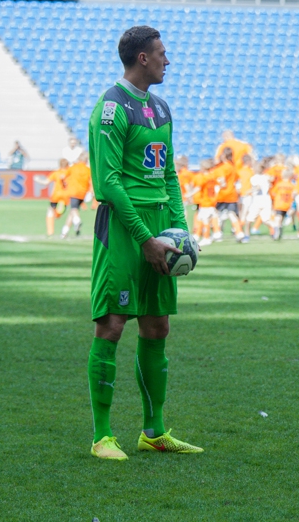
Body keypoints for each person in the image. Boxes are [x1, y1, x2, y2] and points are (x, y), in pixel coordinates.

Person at [86, 25, 202, 460]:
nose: (168, 60)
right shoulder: (112, 109)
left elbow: (168, 174)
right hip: (122, 227)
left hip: (159, 229)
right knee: (112, 325)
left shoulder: (161, 107)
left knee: (158, 327)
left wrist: (178, 230)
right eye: (162, 54)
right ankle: (102, 437)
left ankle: (153, 431)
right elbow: (108, 183)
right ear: (142, 59)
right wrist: (146, 238)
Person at [213, 147, 245, 242]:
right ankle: (239, 233)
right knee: (232, 214)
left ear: (223, 155)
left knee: (215, 213)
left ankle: (217, 232)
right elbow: (237, 180)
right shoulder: (233, 167)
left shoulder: (222, 168)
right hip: (232, 194)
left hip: (223, 194)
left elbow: (222, 182)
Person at [61, 152, 91, 238]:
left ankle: (77, 221)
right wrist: (90, 192)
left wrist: (64, 184)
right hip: (83, 193)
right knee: (72, 211)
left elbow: (63, 176)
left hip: (74, 191)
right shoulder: (87, 169)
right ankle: (64, 232)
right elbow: (91, 181)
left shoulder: (73, 167)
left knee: (73, 210)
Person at [39, 158, 69, 236]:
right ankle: (58, 213)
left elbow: (46, 182)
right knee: (59, 213)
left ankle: (50, 232)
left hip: (56, 195)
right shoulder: (69, 173)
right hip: (66, 196)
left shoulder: (56, 173)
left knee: (50, 211)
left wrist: (38, 180)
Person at [270, 166, 296, 241]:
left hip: (279, 204)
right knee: (281, 219)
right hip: (287, 205)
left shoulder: (279, 184)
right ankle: (280, 232)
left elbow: (273, 193)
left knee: (278, 218)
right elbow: (294, 194)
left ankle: (277, 233)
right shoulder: (292, 185)